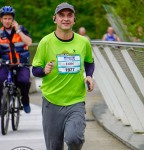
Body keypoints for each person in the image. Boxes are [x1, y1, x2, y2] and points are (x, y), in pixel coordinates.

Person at [32, 2, 94, 150]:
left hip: (76, 100)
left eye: (69, 15)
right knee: (54, 147)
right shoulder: (45, 42)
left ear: (74, 20)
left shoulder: (83, 42)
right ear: (55, 19)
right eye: (61, 15)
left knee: (75, 139)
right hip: (51, 101)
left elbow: (89, 62)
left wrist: (89, 76)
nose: (65, 19)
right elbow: (35, 69)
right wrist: (44, 70)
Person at [0, 6, 32, 113]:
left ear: (13, 19)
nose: (7, 21)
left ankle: (25, 100)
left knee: (24, 81)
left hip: (21, 64)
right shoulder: (0, 33)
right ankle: (2, 104)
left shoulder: (21, 29)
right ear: (1, 20)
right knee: (0, 80)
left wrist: (18, 30)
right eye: (5, 18)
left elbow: (29, 43)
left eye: (9, 18)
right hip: (6, 64)